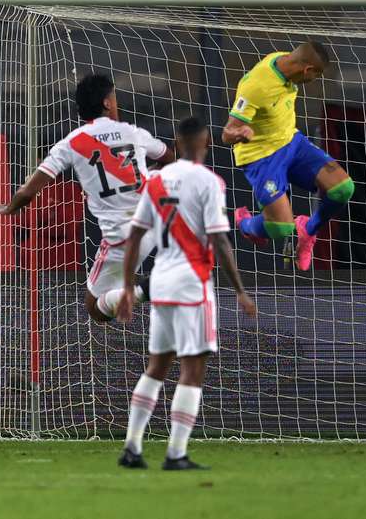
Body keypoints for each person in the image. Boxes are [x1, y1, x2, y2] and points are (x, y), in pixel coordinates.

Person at [116, 117, 256, 471]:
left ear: (177, 142)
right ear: (206, 143)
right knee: (192, 369)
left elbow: (134, 236)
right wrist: (240, 290)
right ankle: (176, 453)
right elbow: (220, 240)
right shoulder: (209, 181)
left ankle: (132, 447)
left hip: (160, 282)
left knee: (156, 366)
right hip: (192, 284)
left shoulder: (156, 179)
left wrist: (128, 289)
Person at [0, 73, 175, 322]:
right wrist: (147, 174)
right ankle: (151, 286)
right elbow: (169, 159)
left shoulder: (71, 143)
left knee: (94, 308)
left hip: (122, 237)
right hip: (156, 221)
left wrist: (9, 208)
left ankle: (147, 289)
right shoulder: (133, 132)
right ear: (107, 103)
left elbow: (27, 192)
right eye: (115, 98)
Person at [224, 41, 355, 270]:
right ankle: (245, 224)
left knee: (343, 188)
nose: (315, 80)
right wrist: (240, 132)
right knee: (281, 228)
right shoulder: (256, 86)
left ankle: (308, 231)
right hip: (262, 156)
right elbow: (227, 134)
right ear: (307, 70)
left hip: (291, 143)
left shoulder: (285, 60)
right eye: (317, 75)